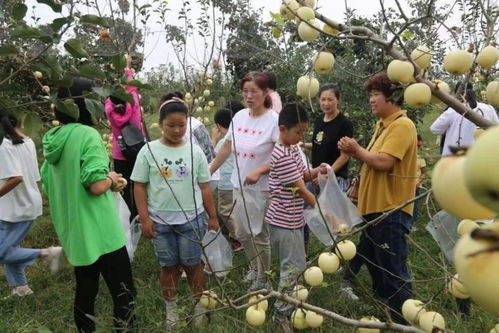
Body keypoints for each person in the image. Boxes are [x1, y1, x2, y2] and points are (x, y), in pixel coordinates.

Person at [41, 77, 137, 333]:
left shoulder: (52, 138)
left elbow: (47, 184)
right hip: (102, 231)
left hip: (75, 232)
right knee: (124, 293)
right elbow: (95, 185)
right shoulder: (87, 135)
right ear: (88, 104)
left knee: (86, 291)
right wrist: (112, 178)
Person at [131, 97, 219, 328]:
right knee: (168, 266)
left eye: (181, 125)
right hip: (160, 222)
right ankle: (172, 310)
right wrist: (145, 218)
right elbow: (138, 185)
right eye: (171, 125)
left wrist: (213, 216)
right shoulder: (148, 151)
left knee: (192, 265)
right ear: (160, 124)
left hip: (191, 219)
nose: (177, 130)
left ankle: (198, 306)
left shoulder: (195, 152)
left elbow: (205, 186)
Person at [338, 71, 417, 324]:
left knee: (394, 272)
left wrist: (356, 150)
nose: (371, 100)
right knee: (378, 267)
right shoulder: (383, 126)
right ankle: (391, 316)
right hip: (375, 211)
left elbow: (383, 162)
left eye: (375, 95)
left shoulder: (402, 125)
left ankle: (403, 323)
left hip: (391, 211)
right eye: (370, 95)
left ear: (391, 97)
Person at [209, 71, 279, 290]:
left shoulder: (274, 121)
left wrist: (260, 171)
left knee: (258, 233)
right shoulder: (239, 117)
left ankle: (263, 278)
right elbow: (227, 147)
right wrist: (210, 170)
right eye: (245, 91)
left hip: (261, 189)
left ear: (266, 92)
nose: (248, 96)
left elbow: (281, 155)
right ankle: (253, 267)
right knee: (241, 232)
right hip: (238, 185)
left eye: (254, 91)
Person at [265, 104, 327, 323]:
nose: (301, 136)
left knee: (296, 266)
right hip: (284, 221)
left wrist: (318, 170)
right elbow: (301, 190)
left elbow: (303, 176)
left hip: (292, 219)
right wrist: (325, 213)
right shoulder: (281, 154)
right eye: (298, 132)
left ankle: (287, 305)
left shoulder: (292, 148)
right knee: (293, 268)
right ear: (283, 129)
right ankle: (281, 313)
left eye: (304, 132)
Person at [0, 114, 62, 299]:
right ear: (18, 122)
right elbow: (34, 177)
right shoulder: (27, 142)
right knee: (11, 247)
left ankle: (47, 254)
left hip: (16, 207)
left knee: (3, 251)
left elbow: (16, 177)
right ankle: (21, 288)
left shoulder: (6, 146)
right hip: (25, 202)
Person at [105, 54, 143, 220]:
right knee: (139, 182)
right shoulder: (133, 100)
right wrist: (127, 69)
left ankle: (129, 215)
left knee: (124, 184)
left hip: (120, 151)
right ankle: (141, 214)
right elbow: (132, 88)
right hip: (136, 148)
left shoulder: (109, 106)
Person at [302, 83, 354, 192]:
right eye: (323, 99)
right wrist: (303, 145)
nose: (326, 103)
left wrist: (329, 174)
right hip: (317, 176)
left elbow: (345, 156)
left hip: (335, 179)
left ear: (338, 100)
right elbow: (319, 144)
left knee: (329, 209)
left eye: (330, 100)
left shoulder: (344, 124)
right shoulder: (319, 120)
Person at [430, 82, 499, 156]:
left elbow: (435, 128)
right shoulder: (488, 108)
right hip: (481, 157)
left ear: (458, 94)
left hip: (455, 159)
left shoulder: (452, 110)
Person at [211, 108, 242, 251]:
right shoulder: (239, 136)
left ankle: (239, 237)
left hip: (226, 183)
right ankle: (236, 236)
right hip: (237, 181)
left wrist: (213, 139)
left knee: (225, 211)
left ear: (218, 126)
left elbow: (212, 156)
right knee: (234, 211)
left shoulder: (225, 141)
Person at [412, 135, 427, 227]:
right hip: (405, 185)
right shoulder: (405, 157)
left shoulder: (420, 158)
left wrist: (419, 182)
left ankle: (412, 223)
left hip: (416, 186)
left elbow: (424, 173)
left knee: (414, 205)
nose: (417, 149)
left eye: (419, 147)